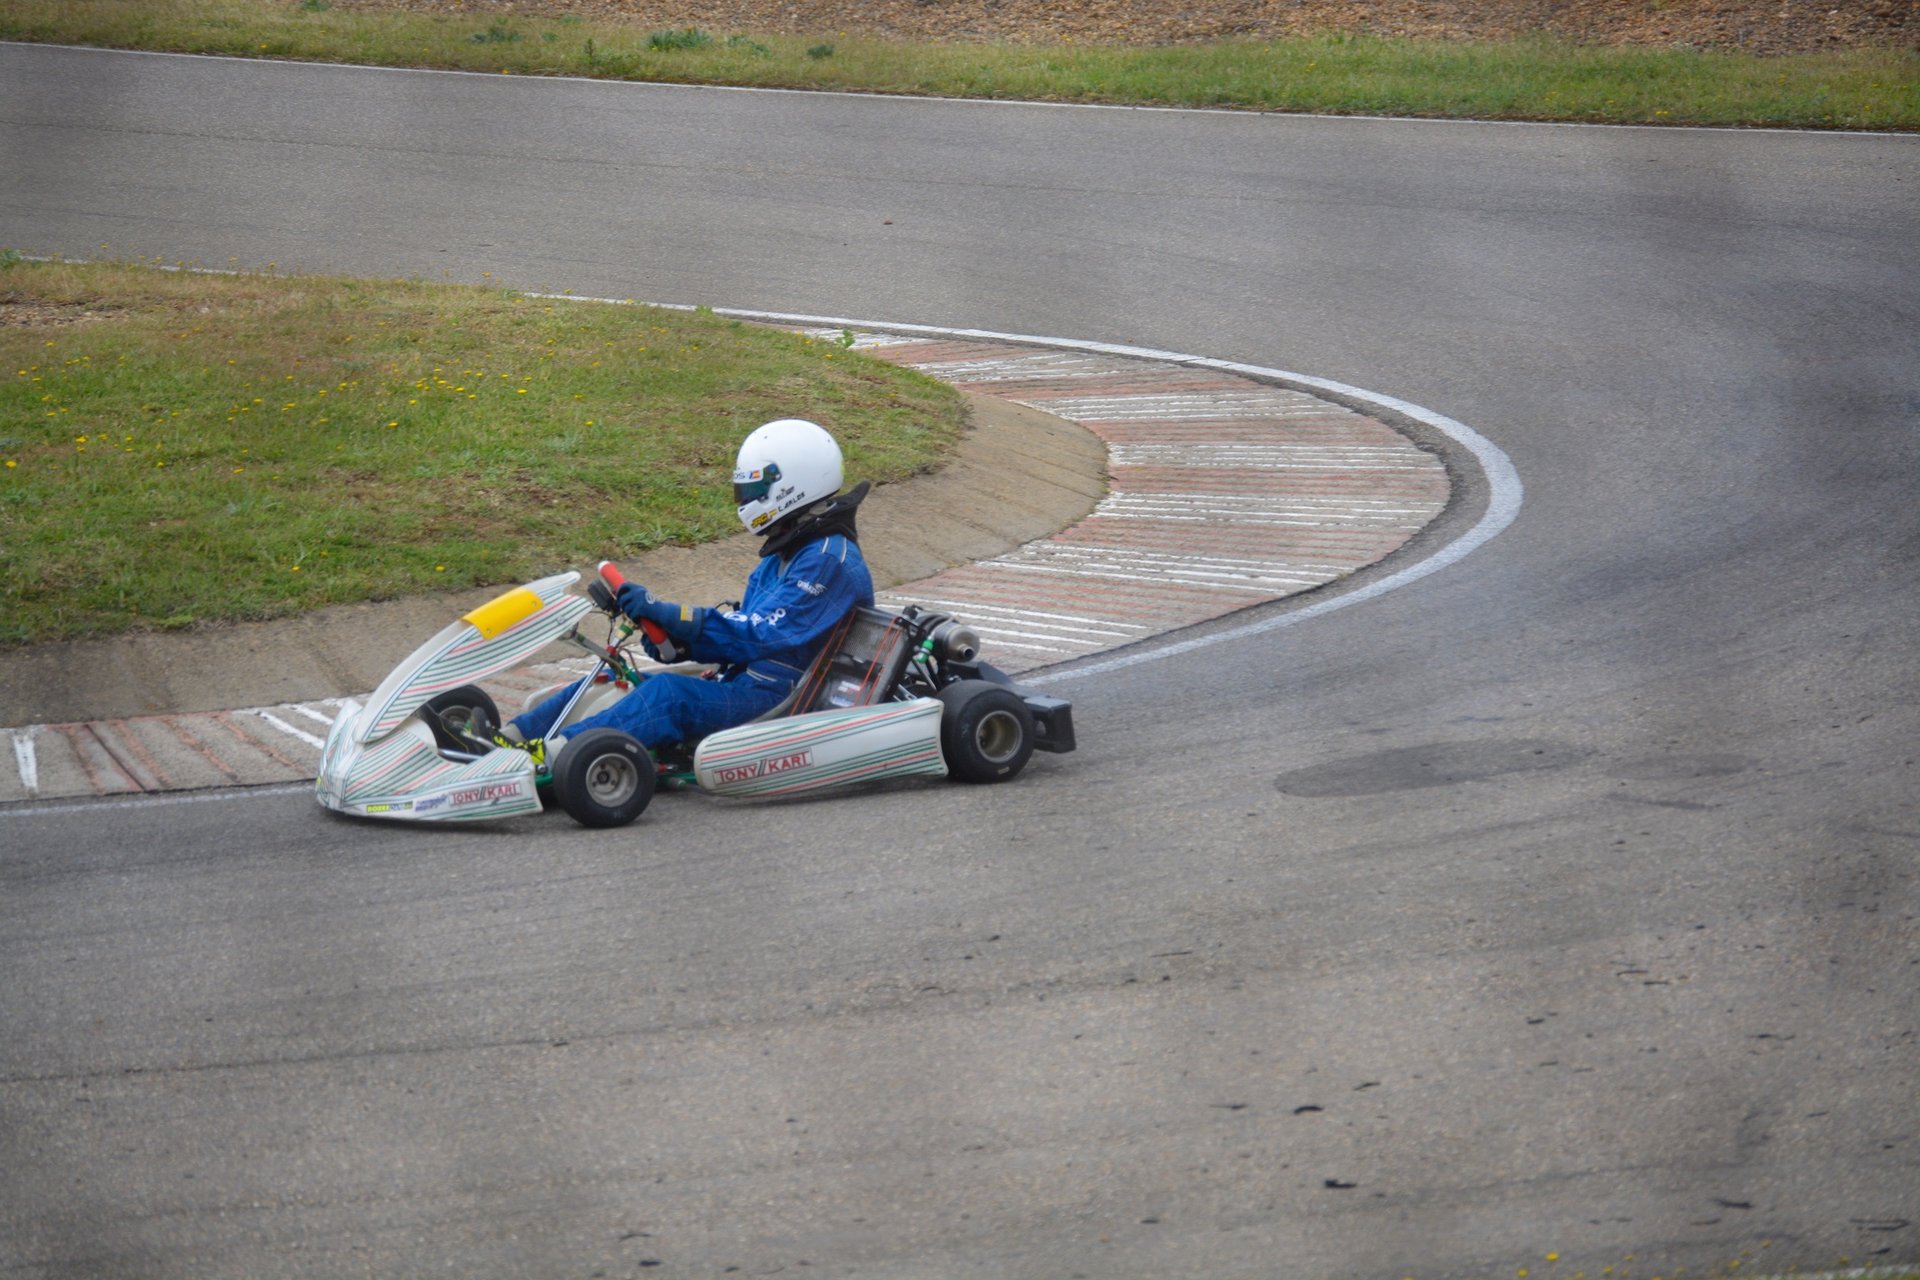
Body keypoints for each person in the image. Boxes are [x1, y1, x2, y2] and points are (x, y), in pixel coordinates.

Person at [495, 417, 874, 762]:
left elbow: (759, 634)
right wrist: (677, 640)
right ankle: (506, 739)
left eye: (755, 489)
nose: (745, 501)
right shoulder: (785, 554)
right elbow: (742, 633)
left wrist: (675, 615)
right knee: (617, 678)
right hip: (747, 680)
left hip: (786, 697)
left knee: (669, 697)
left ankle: (551, 757)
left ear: (793, 484)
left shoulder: (829, 561)